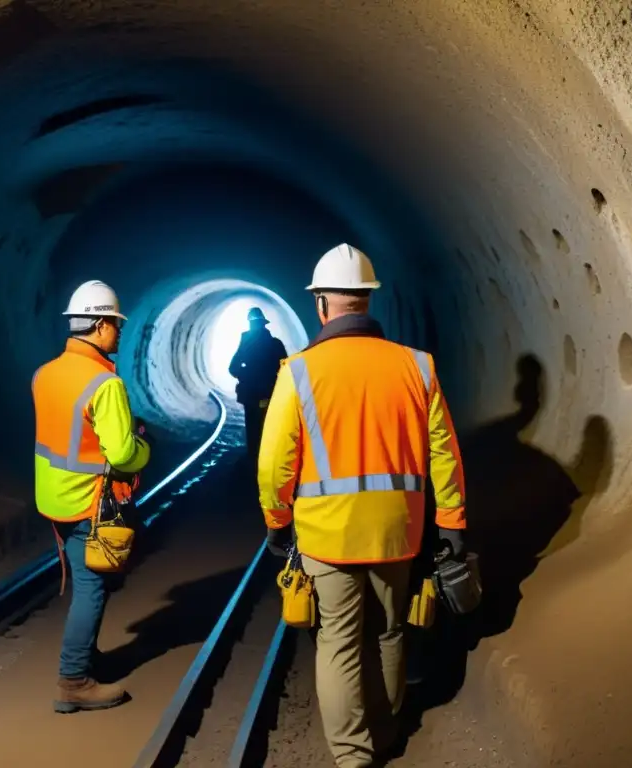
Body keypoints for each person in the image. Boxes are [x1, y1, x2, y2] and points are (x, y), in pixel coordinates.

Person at [257, 244, 466, 768]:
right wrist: (452, 523)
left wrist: (277, 523)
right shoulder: (416, 366)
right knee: (393, 631)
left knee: (339, 641)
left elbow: (274, 464)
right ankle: (388, 725)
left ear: (321, 305)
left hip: (327, 535)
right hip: (399, 530)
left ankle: (353, 755)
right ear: (368, 301)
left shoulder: (299, 372)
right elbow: (443, 452)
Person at [31, 279, 151, 714]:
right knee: (93, 587)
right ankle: (74, 680)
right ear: (100, 326)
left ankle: (86, 658)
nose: (119, 333)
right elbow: (122, 454)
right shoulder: (104, 384)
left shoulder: (44, 374)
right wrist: (144, 448)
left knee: (89, 581)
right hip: (89, 500)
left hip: (54, 497)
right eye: (115, 325)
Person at [228, 306, 288, 458]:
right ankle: (271, 456)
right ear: (264, 324)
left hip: (250, 394)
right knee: (271, 426)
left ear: (250, 324)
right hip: (271, 393)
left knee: (252, 429)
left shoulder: (245, 344)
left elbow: (233, 368)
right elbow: (285, 369)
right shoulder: (276, 344)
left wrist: (245, 375)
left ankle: (254, 460)